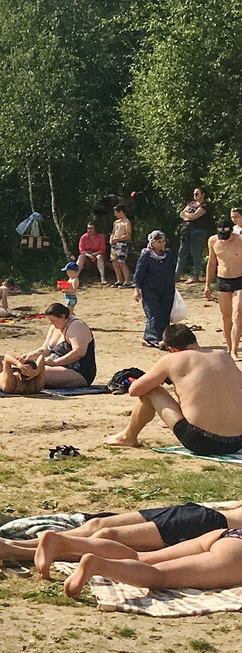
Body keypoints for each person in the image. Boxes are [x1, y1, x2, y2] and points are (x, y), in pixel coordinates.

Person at [0, 502, 242, 572]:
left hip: (207, 523)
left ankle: (16, 553)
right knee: (98, 524)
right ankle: (15, 543)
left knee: (109, 536)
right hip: (202, 513)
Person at [105, 323, 242, 455]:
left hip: (201, 440)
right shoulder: (223, 355)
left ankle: (128, 436)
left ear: (172, 349)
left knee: (153, 390)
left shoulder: (173, 359)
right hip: (237, 442)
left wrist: (161, 377)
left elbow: (135, 390)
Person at [61, 527, 242, 602]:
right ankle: (99, 565)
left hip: (228, 534)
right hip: (235, 555)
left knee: (139, 557)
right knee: (159, 575)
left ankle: (64, 542)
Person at [17, 302, 97, 387]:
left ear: (62, 317)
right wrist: (30, 355)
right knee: (22, 369)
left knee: (32, 374)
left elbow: (79, 352)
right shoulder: (54, 327)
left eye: (53, 321)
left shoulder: (77, 326)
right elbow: (45, 349)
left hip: (78, 371)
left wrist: (55, 362)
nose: (52, 324)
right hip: (54, 366)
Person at [204, 219, 242, 360]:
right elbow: (212, 262)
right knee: (226, 317)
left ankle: (234, 350)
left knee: (237, 315)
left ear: (232, 231)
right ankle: (229, 346)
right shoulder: (213, 241)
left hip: (239, 279)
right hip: (223, 280)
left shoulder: (239, 241)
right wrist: (207, 285)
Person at [134, 230, 177, 347]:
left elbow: (171, 270)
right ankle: (151, 338)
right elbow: (139, 273)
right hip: (150, 289)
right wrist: (137, 289)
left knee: (165, 313)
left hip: (167, 288)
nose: (162, 244)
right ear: (152, 242)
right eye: (159, 242)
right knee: (154, 313)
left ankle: (165, 338)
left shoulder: (168, 254)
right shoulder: (146, 255)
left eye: (163, 241)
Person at [175, 186, 211, 283]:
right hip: (187, 231)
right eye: (194, 194)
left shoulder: (204, 206)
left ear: (203, 195)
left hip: (198, 232)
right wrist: (188, 216)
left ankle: (196, 276)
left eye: (197, 194)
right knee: (181, 252)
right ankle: (177, 275)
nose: (194, 195)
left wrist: (187, 216)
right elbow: (181, 213)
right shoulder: (191, 203)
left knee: (196, 254)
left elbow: (194, 216)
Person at [109, 204, 133, 287]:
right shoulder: (116, 222)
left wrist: (118, 239)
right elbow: (113, 232)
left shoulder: (126, 222)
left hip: (122, 244)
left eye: (116, 212)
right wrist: (111, 239)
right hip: (114, 244)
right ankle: (119, 280)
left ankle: (127, 281)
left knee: (121, 262)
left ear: (121, 212)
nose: (115, 214)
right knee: (114, 262)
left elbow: (128, 235)